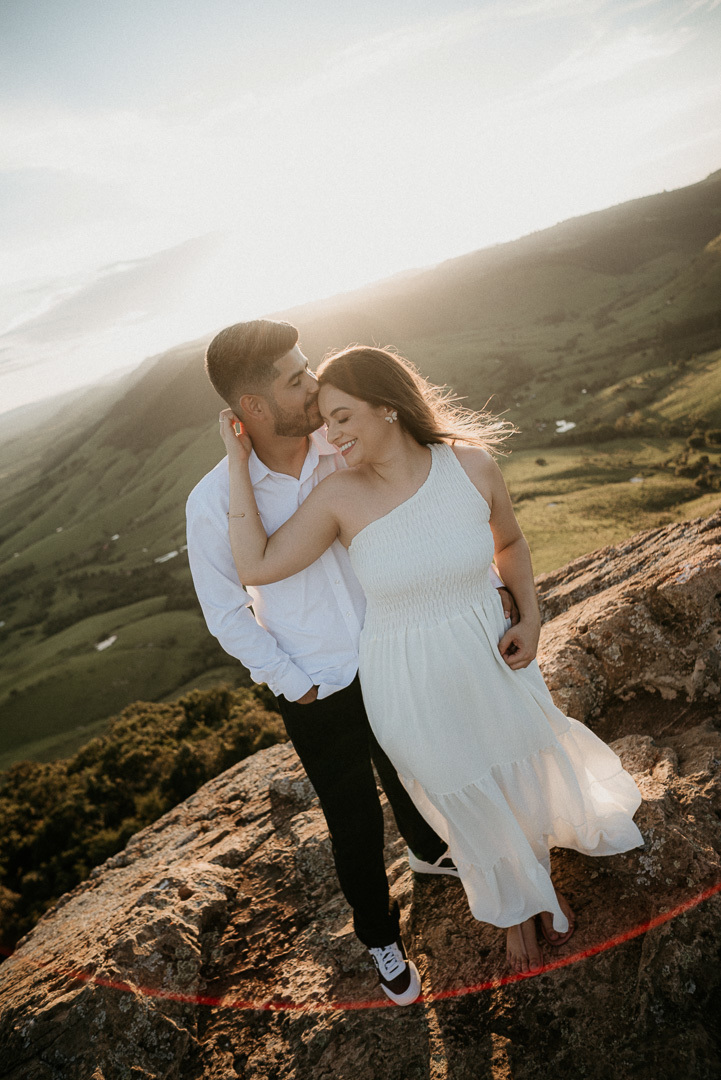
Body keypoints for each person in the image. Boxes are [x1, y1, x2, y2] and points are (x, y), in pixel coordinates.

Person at [219, 341, 645, 989]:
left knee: (516, 762)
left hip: (488, 652)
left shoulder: (470, 465)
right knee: (460, 785)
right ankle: (514, 907)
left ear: (387, 408)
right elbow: (255, 564)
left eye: (342, 417)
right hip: (405, 680)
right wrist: (236, 460)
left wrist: (530, 617)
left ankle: (532, 873)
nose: (330, 434)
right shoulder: (338, 496)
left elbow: (509, 540)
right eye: (326, 421)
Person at [186, 320, 519, 1007]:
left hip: (396, 650)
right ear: (252, 407)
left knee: (421, 766)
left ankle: (429, 849)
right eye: (296, 380)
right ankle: (380, 937)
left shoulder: (343, 444)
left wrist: (487, 591)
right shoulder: (214, 501)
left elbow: (418, 515)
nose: (316, 386)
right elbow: (225, 611)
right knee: (353, 820)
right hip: (314, 680)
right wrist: (293, 682)